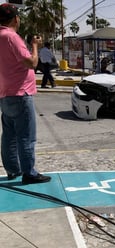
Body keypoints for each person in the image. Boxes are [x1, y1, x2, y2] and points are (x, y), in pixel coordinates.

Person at [0, 3, 51, 184]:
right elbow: (31, 63)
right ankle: (29, 172)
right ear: (16, 19)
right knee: (26, 136)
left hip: (5, 94)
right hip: (21, 94)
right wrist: (34, 45)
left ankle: (13, 170)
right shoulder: (11, 37)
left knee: (9, 135)